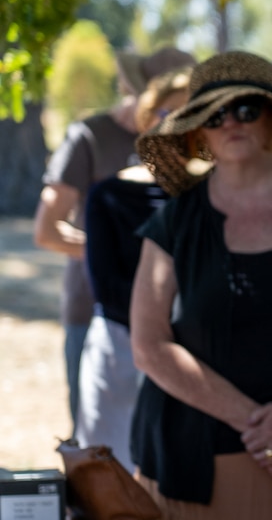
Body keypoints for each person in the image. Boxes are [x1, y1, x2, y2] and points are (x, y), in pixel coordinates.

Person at [129, 51, 272, 519]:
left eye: (247, 109)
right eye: (215, 113)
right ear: (198, 128)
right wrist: (260, 426)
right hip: (193, 460)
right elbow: (148, 344)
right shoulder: (175, 220)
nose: (232, 123)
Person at [33, 46, 197, 433]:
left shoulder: (188, 145)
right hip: (94, 313)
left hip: (171, 322)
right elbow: (47, 230)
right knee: (99, 453)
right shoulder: (91, 137)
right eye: (168, 106)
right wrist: (116, 254)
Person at [75, 67, 193, 472]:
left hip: (193, 357)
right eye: (167, 114)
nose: (177, 126)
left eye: (191, 115)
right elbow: (106, 287)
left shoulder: (209, 199)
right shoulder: (107, 195)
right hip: (120, 351)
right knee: (110, 479)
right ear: (147, 120)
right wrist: (158, 334)